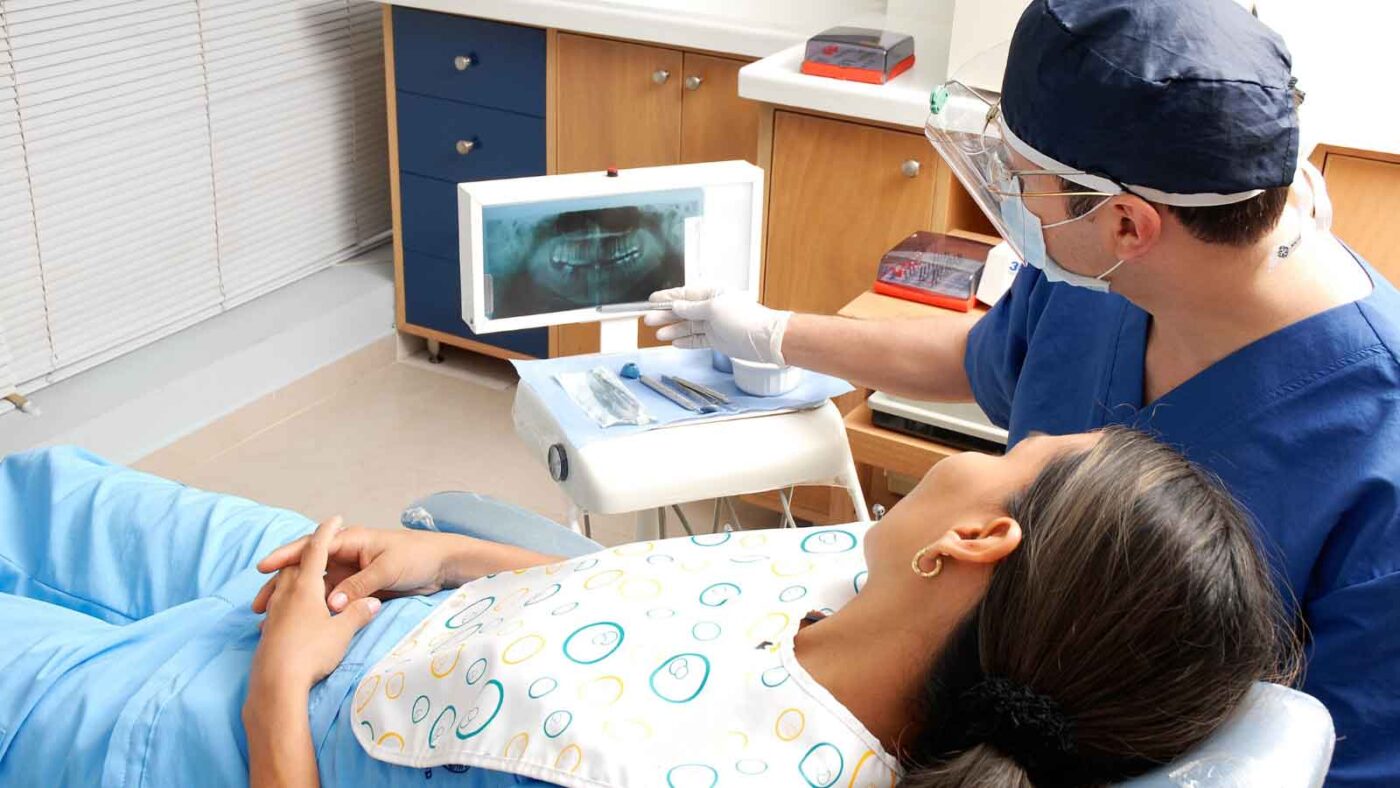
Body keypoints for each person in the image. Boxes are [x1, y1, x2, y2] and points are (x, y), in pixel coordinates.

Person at [645, 1, 1400, 783]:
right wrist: (772, 334)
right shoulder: (1097, 280)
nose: (1006, 200)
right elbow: (985, 361)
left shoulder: (1378, 445)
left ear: (1129, 225)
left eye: (1019, 178)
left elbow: (1336, 759)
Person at [0, 430, 1295, 786]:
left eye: (1022, 447)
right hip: (378, 601)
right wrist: (437, 558)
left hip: (245, 726)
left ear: (979, 536)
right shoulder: (865, 586)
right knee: (50, 495)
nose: (998, 443)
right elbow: (642, 605)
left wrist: (279, 680)